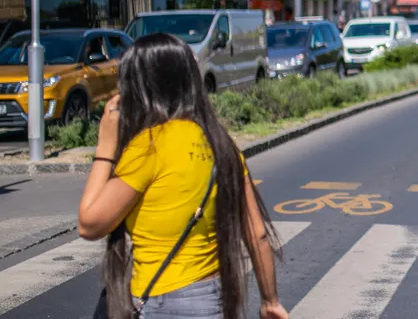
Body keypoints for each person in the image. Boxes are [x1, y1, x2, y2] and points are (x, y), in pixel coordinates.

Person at [77, 33, 288, 319]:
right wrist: (270, 301)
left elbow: (89, 225)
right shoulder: (222, 143)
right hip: (214, 298)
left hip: (164, 302)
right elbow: (257, 234)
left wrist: (105, 148)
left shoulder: (149, 148)